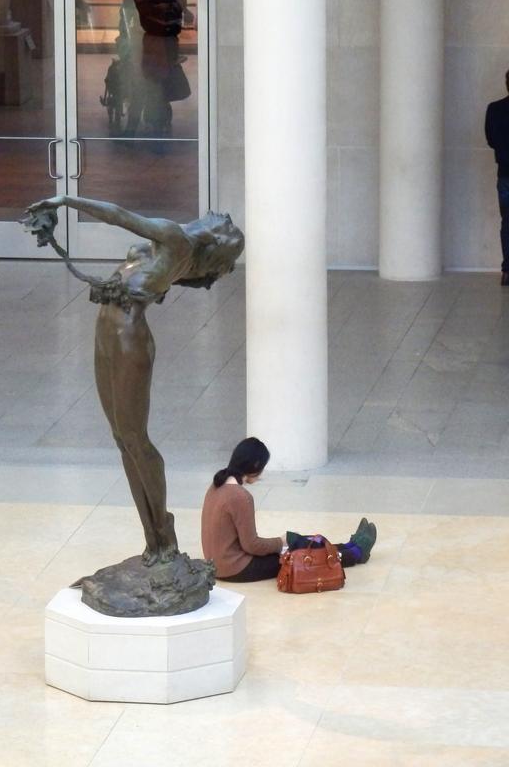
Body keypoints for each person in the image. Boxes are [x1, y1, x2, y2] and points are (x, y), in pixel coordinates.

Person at [25, 196, 244, 565]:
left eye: (225, 225)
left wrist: (64, 199)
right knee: (121, 438)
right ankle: (152, 540)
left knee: (135, 439)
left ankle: (164, 533)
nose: (221, 215)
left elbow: (119, 214)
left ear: (216, 239)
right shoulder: (174, 246)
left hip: (129, 338)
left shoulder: (176, 239)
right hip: (106, 328)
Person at [201, 437, 378, 582]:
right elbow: (251, 545)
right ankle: (356, 553)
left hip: (219, 563)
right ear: (255, 466)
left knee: (296, 542)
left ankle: (349, 546)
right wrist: (280, 542)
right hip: (235, 567)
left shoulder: (218, 484)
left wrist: (284, 541)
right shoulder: (240, 497)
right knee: (298, 554)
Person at [484, 68, 509, 287]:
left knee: (507, 222)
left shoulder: (494, 109)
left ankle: (507, 271)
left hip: (505, 173)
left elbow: (490, 140)